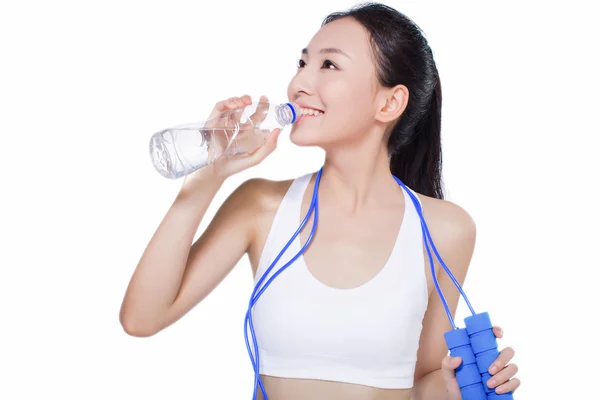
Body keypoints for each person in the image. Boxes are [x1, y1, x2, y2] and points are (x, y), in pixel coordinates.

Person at [120, 2, 520, 399]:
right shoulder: (260, 206)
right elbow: (141, 318)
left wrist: (456, 386)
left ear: (389, 103)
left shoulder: (445, 229)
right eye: (302, 63)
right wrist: (207, 177)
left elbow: (419, 384)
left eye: (329, 65)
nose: (299, 84)